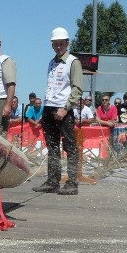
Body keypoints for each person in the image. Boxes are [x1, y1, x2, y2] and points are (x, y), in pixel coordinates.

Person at [32, 27, 83, 195]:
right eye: (55, 44)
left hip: (63, 109)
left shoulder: (73, 62)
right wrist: (45, 109)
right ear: (52, 45)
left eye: (61, 44)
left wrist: (66, 108)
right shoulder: (51, 63)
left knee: (70, 146)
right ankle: (53, 181)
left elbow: (77, 89)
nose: (58, 46)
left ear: (67, 43)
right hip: (49, 107)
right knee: (52, 146)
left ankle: (72, 183)